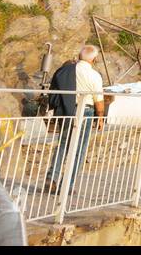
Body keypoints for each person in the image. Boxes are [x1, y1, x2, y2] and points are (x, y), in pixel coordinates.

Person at [45, 45, 105, 193]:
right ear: (94, 59)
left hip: (66, 110)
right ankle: (67, 185)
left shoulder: (65, 70)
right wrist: (101, 117)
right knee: (79, 149)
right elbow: (99, 101)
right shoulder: (94, 76)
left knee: (63, 144)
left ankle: (52, 178)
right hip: (85, 112)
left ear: (79, 56)